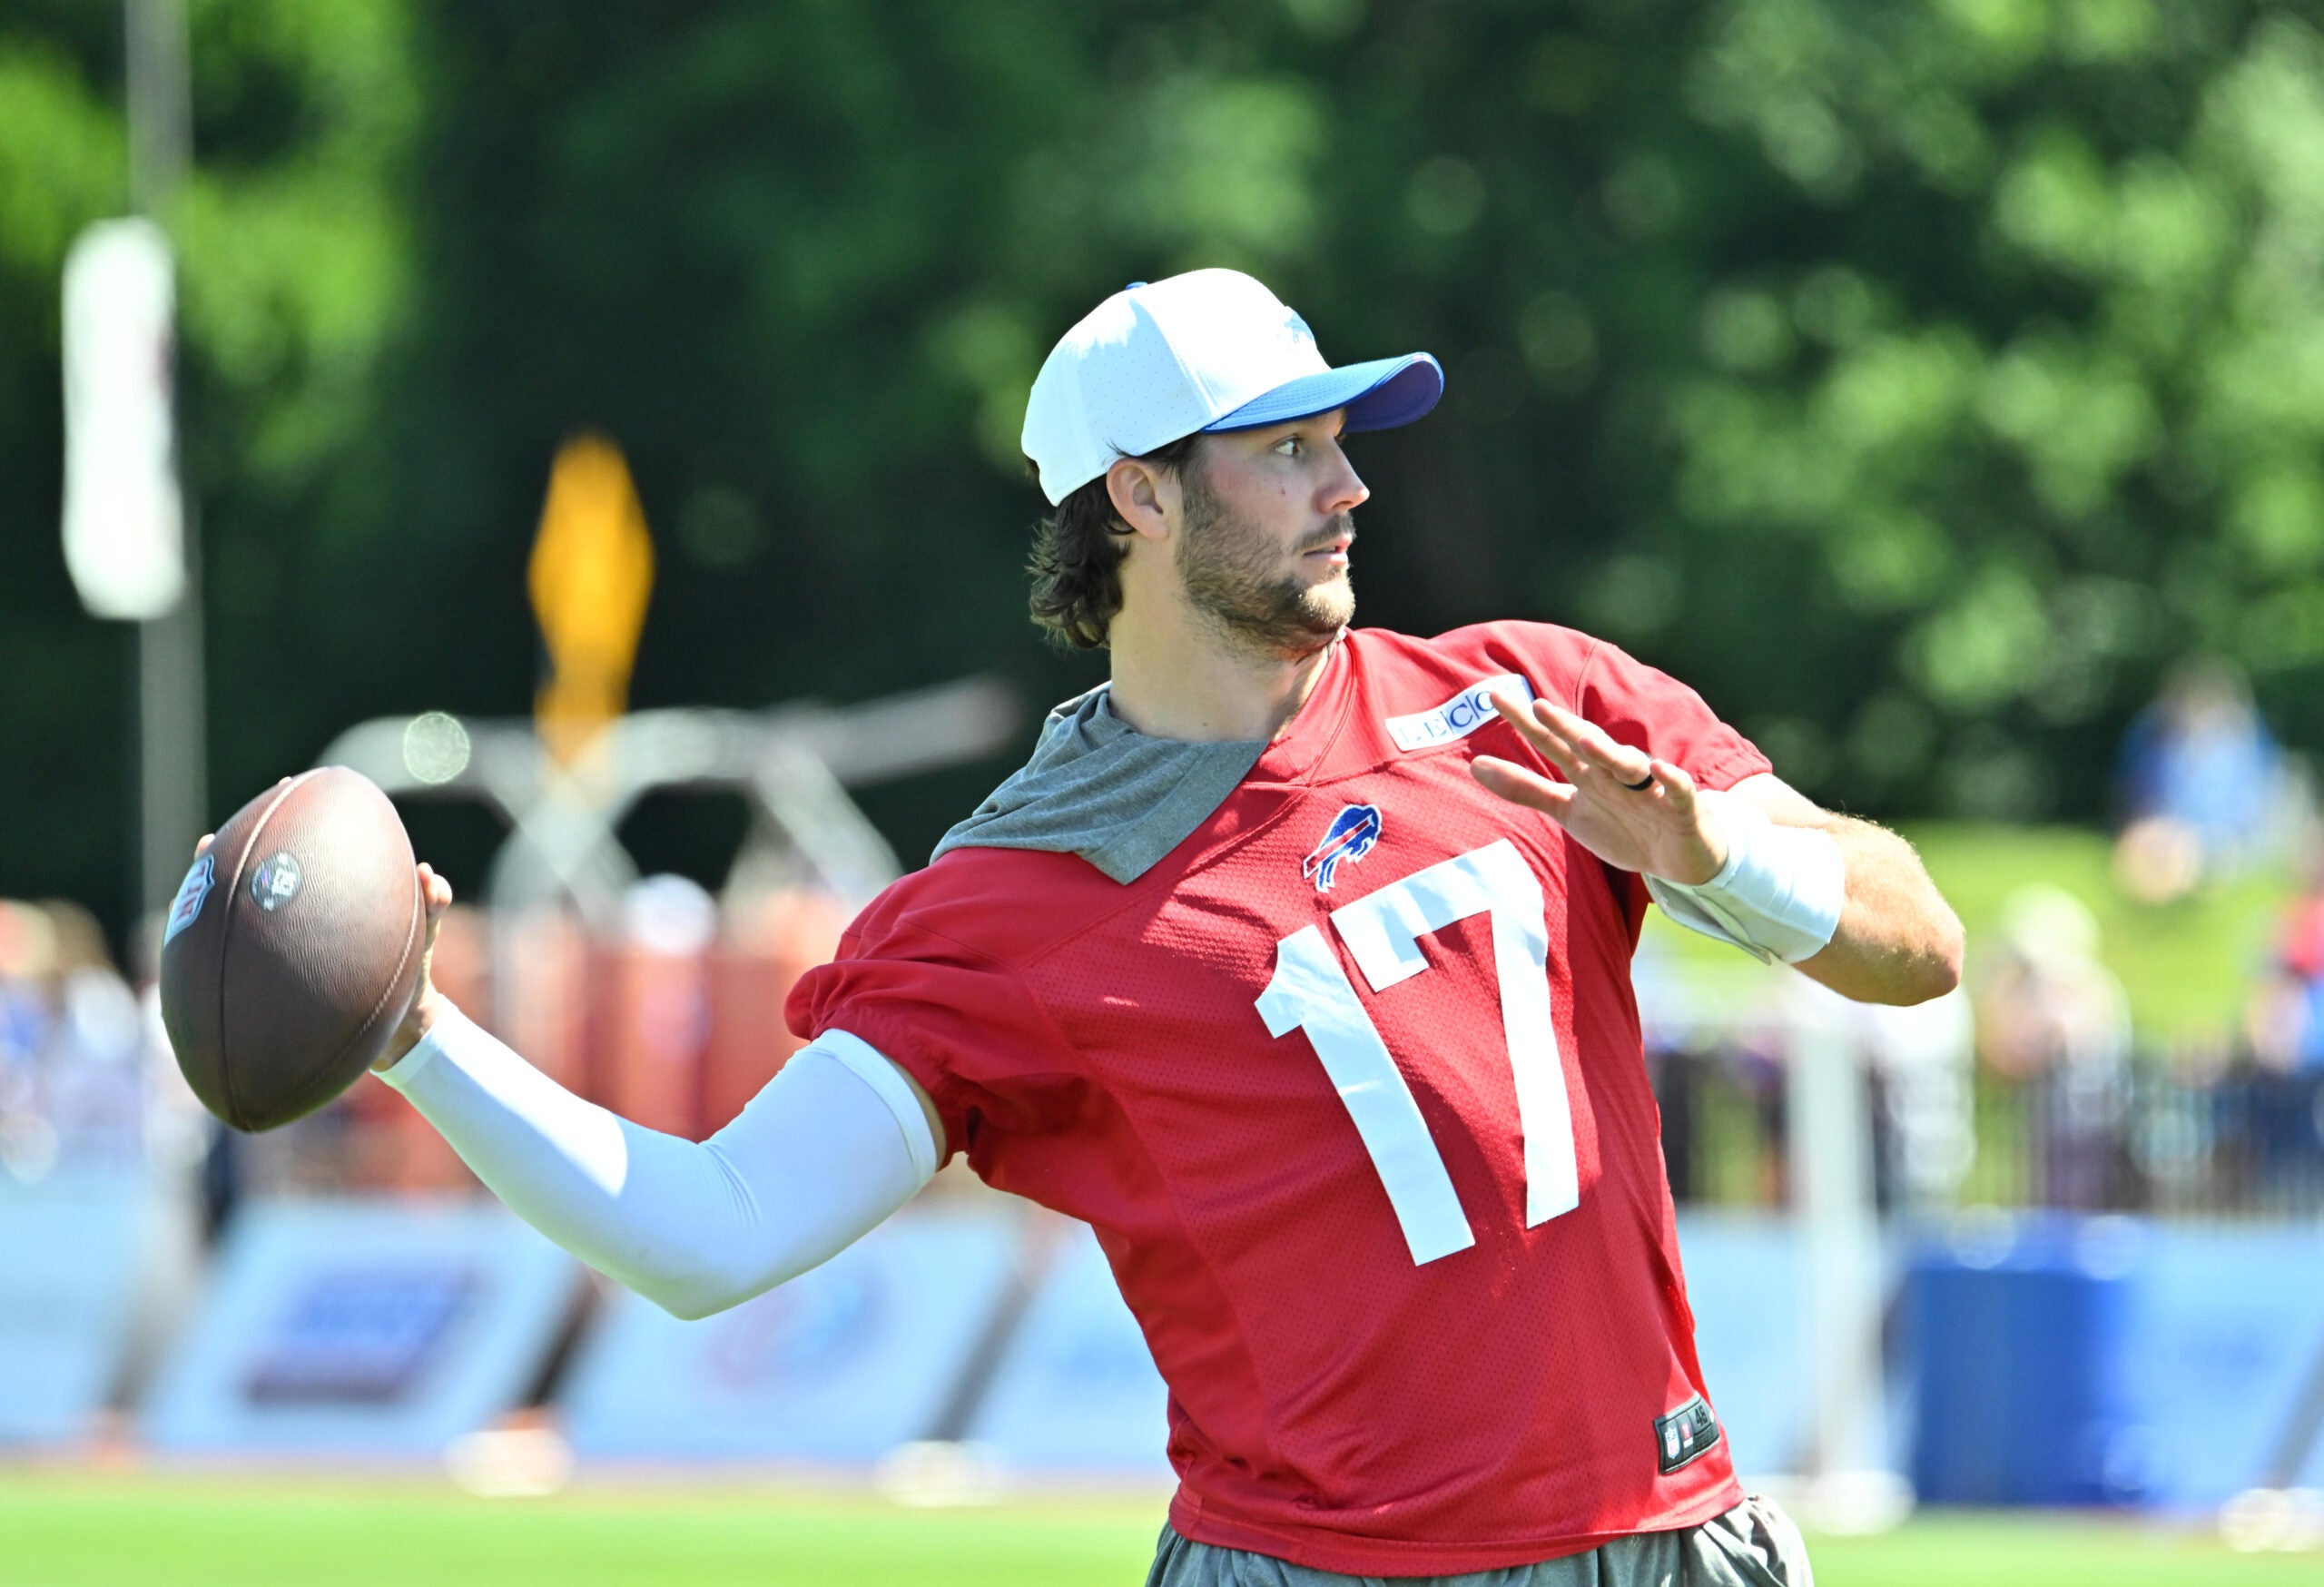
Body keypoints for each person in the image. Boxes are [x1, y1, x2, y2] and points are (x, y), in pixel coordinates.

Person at [242, 271, 1960, 1584]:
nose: (1346, 486)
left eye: (1341, 440)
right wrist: (415, 1034)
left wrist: (1719, 854)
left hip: (1664, 1530)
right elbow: (711, 1232)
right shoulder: (1009, 903)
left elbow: (1918, 944)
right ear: (1138, 497)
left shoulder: (1527, 701)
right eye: (1287, 449)